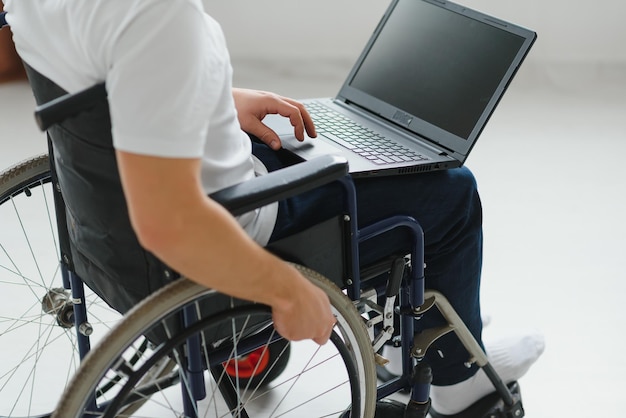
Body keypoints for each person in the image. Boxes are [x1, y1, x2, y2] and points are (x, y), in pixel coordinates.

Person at [3, 0, 543, 415]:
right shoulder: (158, 15)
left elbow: (106, 81)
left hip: (107, 227)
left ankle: (431, 314)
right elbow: (168, 223)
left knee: (318, 148)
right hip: (224, 220)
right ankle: (457, 383)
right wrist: (287, 291)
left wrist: (213, 96)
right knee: (448, 190)